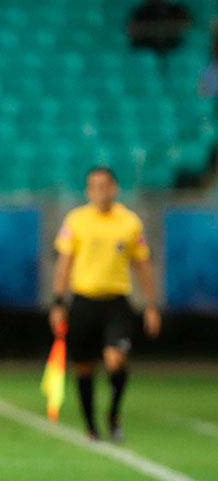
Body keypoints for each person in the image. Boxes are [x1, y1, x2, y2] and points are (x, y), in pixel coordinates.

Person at [49, 167, 160, 443]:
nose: (100, 191)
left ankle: (113, 414)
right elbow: (64, 262)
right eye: (94, 186)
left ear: (114, 188)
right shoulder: (76, 220)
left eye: (105, 185)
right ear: (88, 191)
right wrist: (58, 302)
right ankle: (91, 426)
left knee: (115, 359)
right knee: (84, 367)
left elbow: (142, 265)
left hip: (116, 303)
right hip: (84, 302)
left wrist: (150, 305)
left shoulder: (130, 223)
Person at [127, 0, 192, 55]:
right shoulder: (140, 11)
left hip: (174, 46)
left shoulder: (175, 9)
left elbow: (188, 25)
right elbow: (131, 31)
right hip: (147, 47)